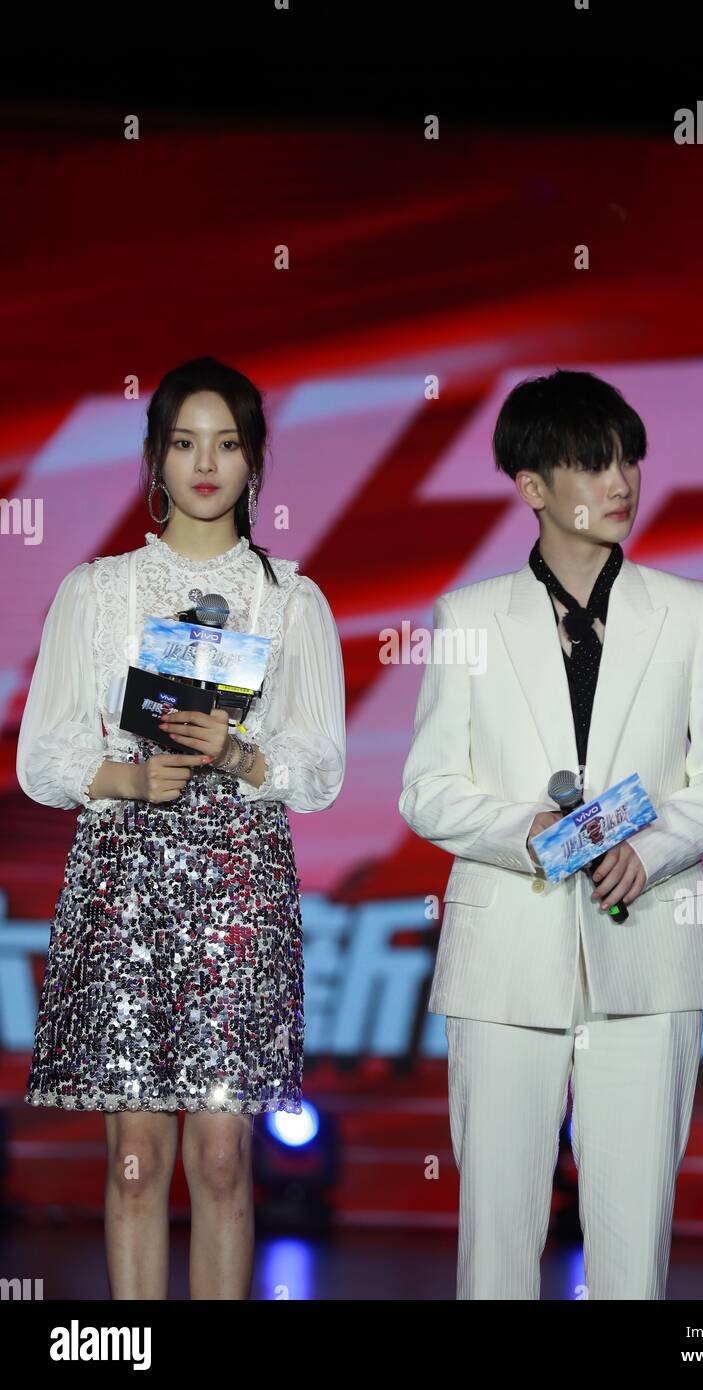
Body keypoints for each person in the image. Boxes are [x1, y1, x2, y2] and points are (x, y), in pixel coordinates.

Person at [399, 369, 703, 1299]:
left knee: (634, 1243)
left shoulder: (689, 611)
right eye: (595, 464)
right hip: (506, 959)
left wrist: (652, 846)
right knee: (498, 1241)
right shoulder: (467, 617)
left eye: (629, 460)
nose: (621, 484)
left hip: (646, 957)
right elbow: (428, 792)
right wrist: (533, 832)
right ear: (533, 487)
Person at [16, 355, 346, 1300]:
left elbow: (319, 767)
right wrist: (129, 775)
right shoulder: (100, 591)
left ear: (255, 461)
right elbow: (42, 755)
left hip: (237, 890)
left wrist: (240, 757)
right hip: (121, 883)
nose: (207, 463)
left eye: (229, 443)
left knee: (221, 1158)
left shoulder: (291, 601)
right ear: (155, 460)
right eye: (185, 442)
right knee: (132, 1160)